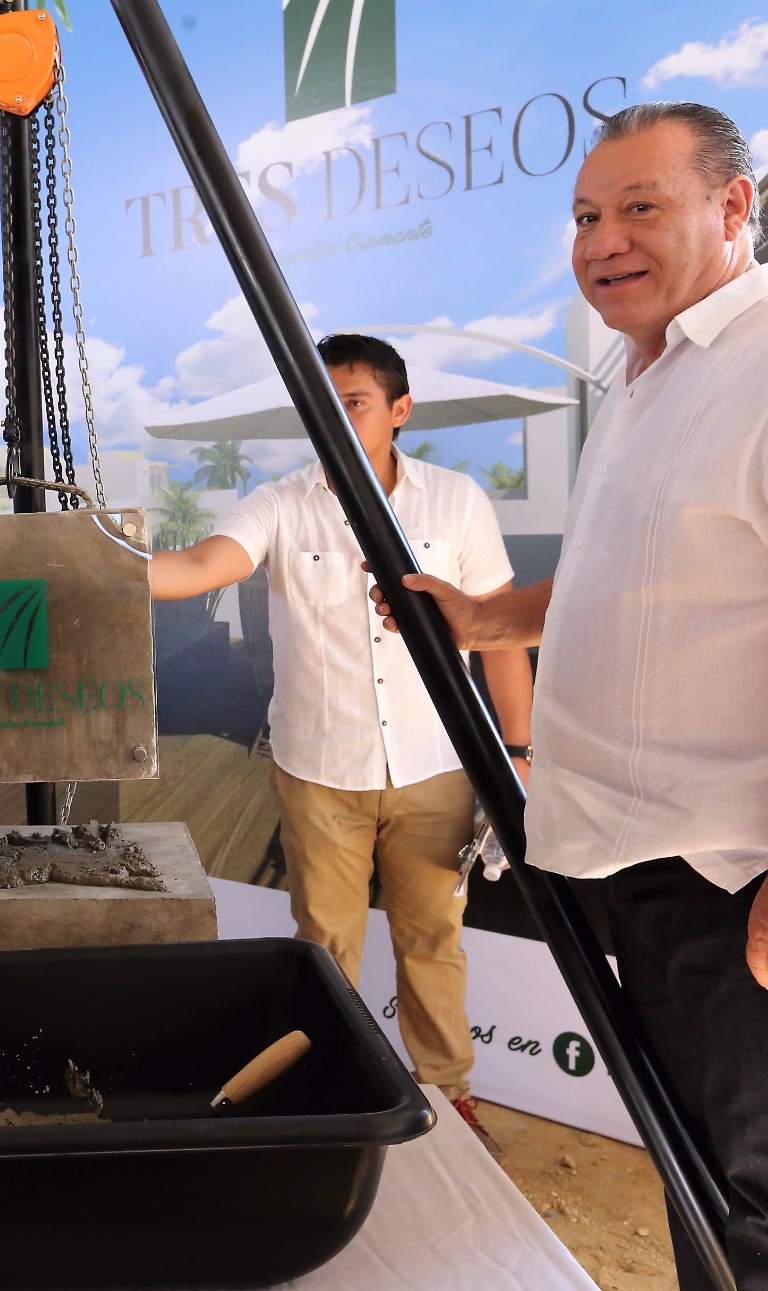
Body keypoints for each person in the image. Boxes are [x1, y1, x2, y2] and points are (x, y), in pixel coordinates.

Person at [372, 103, 768, 1289]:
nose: (603, 241)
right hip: (643, 863)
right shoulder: (648, 378)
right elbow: (631, 572)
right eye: (587, 215)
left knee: (755, 1196)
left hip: (733, 876)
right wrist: (487, 620)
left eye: (640, 207)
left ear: (734, 206)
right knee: (705, 1181)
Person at [151, 335, 535, 1152]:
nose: (333, 416)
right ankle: (331, 1094)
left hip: (435, 767)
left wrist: (519, 752)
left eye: (353, 401)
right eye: (318, 402)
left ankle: (448, 1094)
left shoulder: (457, 500)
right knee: (325, 945)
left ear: (400, 410)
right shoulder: (281, 503)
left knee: (433, 939)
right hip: (320, 769)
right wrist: (94, 563)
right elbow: (202, 564)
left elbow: (501, 635)